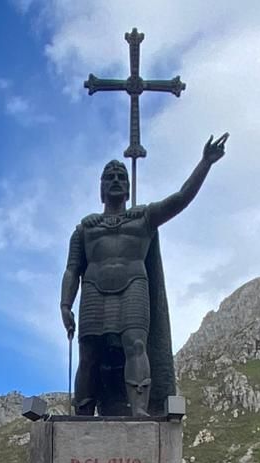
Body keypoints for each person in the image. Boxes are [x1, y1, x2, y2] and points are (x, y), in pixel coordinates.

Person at [62, 141, 225, 417]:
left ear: (127, 187)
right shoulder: (85, 228)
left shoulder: (144, 219)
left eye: (121, 177)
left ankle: (140, 409)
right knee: (89, 354)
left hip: (133, 288)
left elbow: (181, 198)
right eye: (110, 177)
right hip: (93, 291)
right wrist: (65, 305)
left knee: (136, 345)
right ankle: (83, 413)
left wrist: (205, 163)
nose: (116, 180)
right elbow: (72, 269)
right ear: (101, 188)